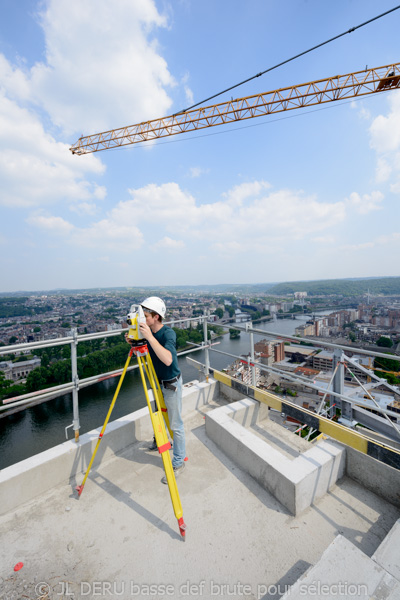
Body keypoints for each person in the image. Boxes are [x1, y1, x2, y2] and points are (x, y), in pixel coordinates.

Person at [126, 296, 186, 483]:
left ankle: (178, 461)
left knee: (175, 425)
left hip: (170, 384)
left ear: (156, 316)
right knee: (158, 414)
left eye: (145, 315)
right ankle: (159, 440)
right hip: (156, 381)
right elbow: (144, 348)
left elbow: (168, 359)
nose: (143, 318)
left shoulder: (168, 334)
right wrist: (133, 339)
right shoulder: (147, 332)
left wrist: (150, 337)